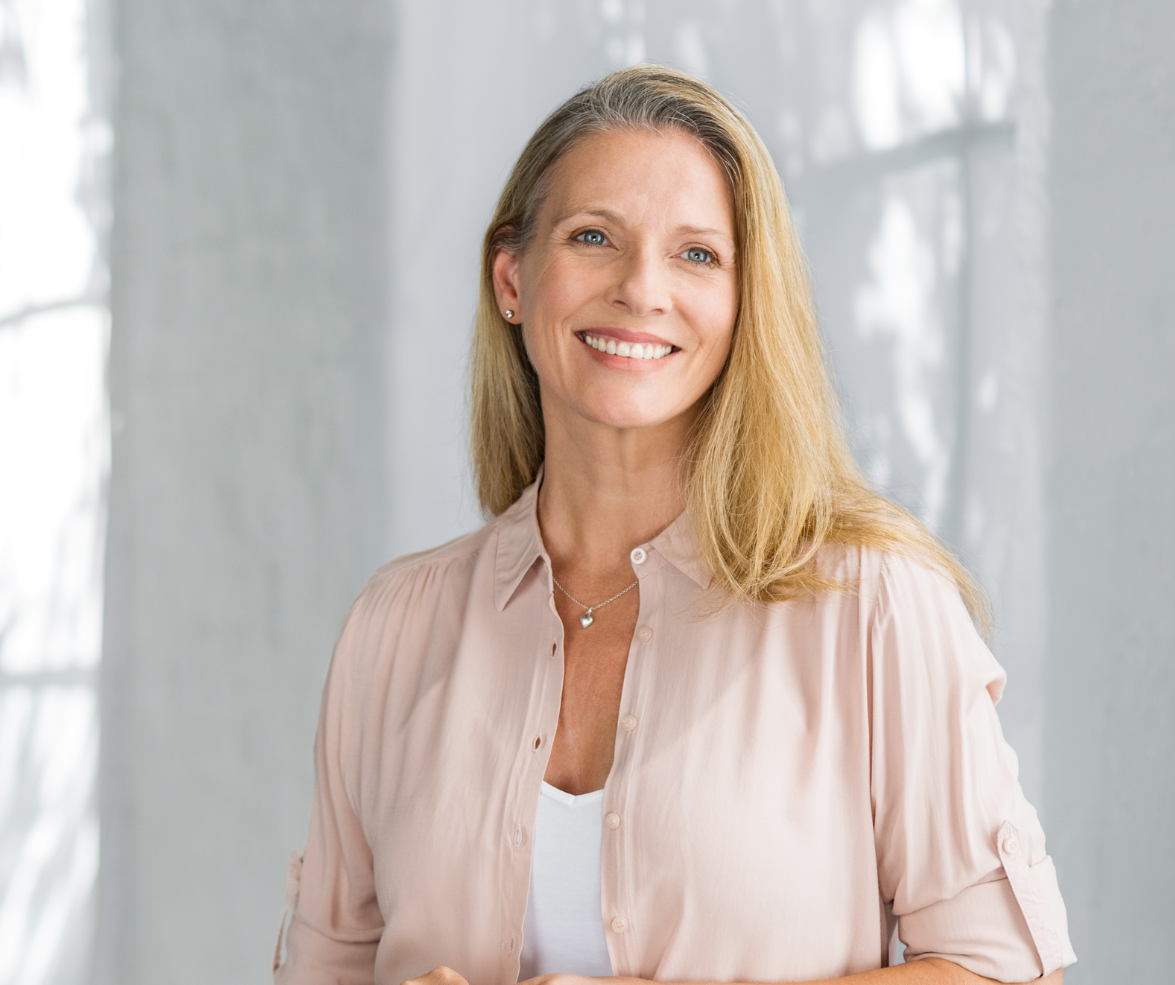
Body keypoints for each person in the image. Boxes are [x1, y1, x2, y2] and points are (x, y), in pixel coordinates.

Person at [273, 66, 1075, 985]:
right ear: (511, 280)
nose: (641, 289)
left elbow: (1002, 967)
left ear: (743, 301)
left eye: (697, 254)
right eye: (592, 237)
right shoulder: (392, 628)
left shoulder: (875, 603)